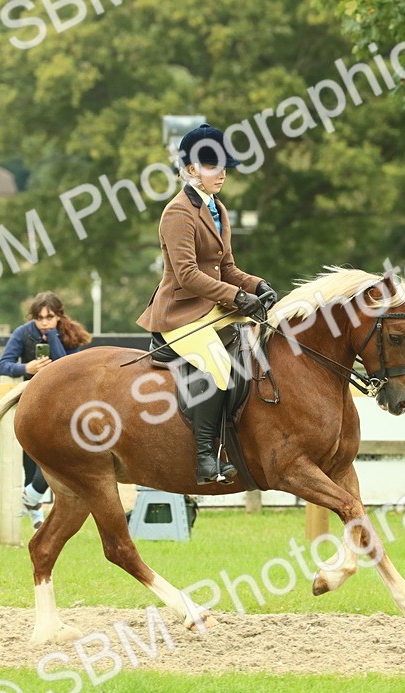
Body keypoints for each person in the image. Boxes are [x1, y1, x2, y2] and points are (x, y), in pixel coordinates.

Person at [136, 123, 277, 484]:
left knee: (258, 351)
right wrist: (236, 297)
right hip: (179, 313)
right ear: (191, 169)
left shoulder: (218, 208)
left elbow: (226, 267)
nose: (222, 172)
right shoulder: (177, 212)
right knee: (218, 366)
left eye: (224, 166)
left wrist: (256, 284)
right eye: (213, 166)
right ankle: (205, 458)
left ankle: (234, 445)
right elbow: (186, 274)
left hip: (211, 308)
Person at [0, 291, 92, 526]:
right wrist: (27, 368)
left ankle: (30, 502)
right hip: (33, 405)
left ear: (59, 316)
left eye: (50, 317)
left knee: (52, 460)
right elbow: (3, 365)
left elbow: (66, 368)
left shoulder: (68, 333)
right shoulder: (23, 333)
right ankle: (36, 518)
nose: (45, 322)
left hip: (64, 406)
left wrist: (52, 337)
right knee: (31, 460)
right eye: (40, 318)